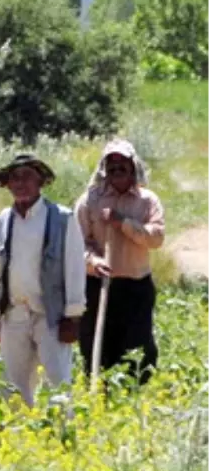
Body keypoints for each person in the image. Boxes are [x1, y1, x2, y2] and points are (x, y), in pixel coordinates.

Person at [0, 154, 86, 406]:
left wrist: (72, 316)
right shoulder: (3, 220)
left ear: (40, 181)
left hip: (51, 315)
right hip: (14, 312)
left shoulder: (62, 217)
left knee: (58, 381)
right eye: (15, 178)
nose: (21, 183)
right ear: (7, 184)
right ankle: (17, 437)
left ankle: (63, 435)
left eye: (28, 177)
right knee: (12, 383)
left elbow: (74, 267)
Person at [75, 140, 165, 384]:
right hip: (98, 284)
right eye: (111, 167)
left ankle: (133, 396)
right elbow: (76, 243)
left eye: (122, 166)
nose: (117, 171)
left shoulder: (148, 201)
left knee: (137, 345)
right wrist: (93, 261)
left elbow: (156, 238)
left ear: (132, 167)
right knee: (97, 343)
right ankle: (99, 392)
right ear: (104, 169)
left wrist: (122, 222)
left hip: (136, 285)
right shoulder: (89, 201)